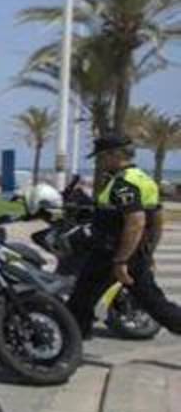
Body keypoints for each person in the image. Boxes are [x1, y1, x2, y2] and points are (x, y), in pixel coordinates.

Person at [66, 134, 181, 338]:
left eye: (101, 156)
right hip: (131, 254)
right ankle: (71, 342)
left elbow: (135, 222)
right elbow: (156, 221)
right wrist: (148, 252)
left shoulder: (123, 184)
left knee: (80, 301)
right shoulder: (144, 179)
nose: (99, 161)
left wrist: (121, 261)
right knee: (155, 303)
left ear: (115, 154)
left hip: (111, 254)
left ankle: (65, 348)